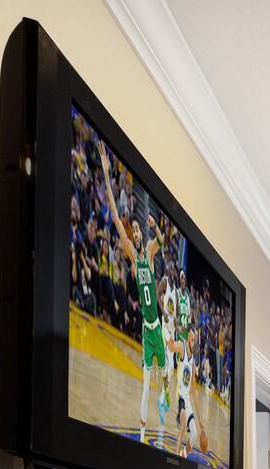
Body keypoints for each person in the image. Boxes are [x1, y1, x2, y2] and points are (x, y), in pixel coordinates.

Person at [98, 142, 167, 446]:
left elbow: (161, 241)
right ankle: (141, 436)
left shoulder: (150, 254)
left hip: (159, 329)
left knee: (165, 377)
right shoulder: (131, 253)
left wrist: (157, 227)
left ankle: (166, 397)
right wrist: (105, 169)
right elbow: (115, 217)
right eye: (135, 231)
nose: (137, 234)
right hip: (146, 331)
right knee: (145, 384)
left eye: (139, 231)